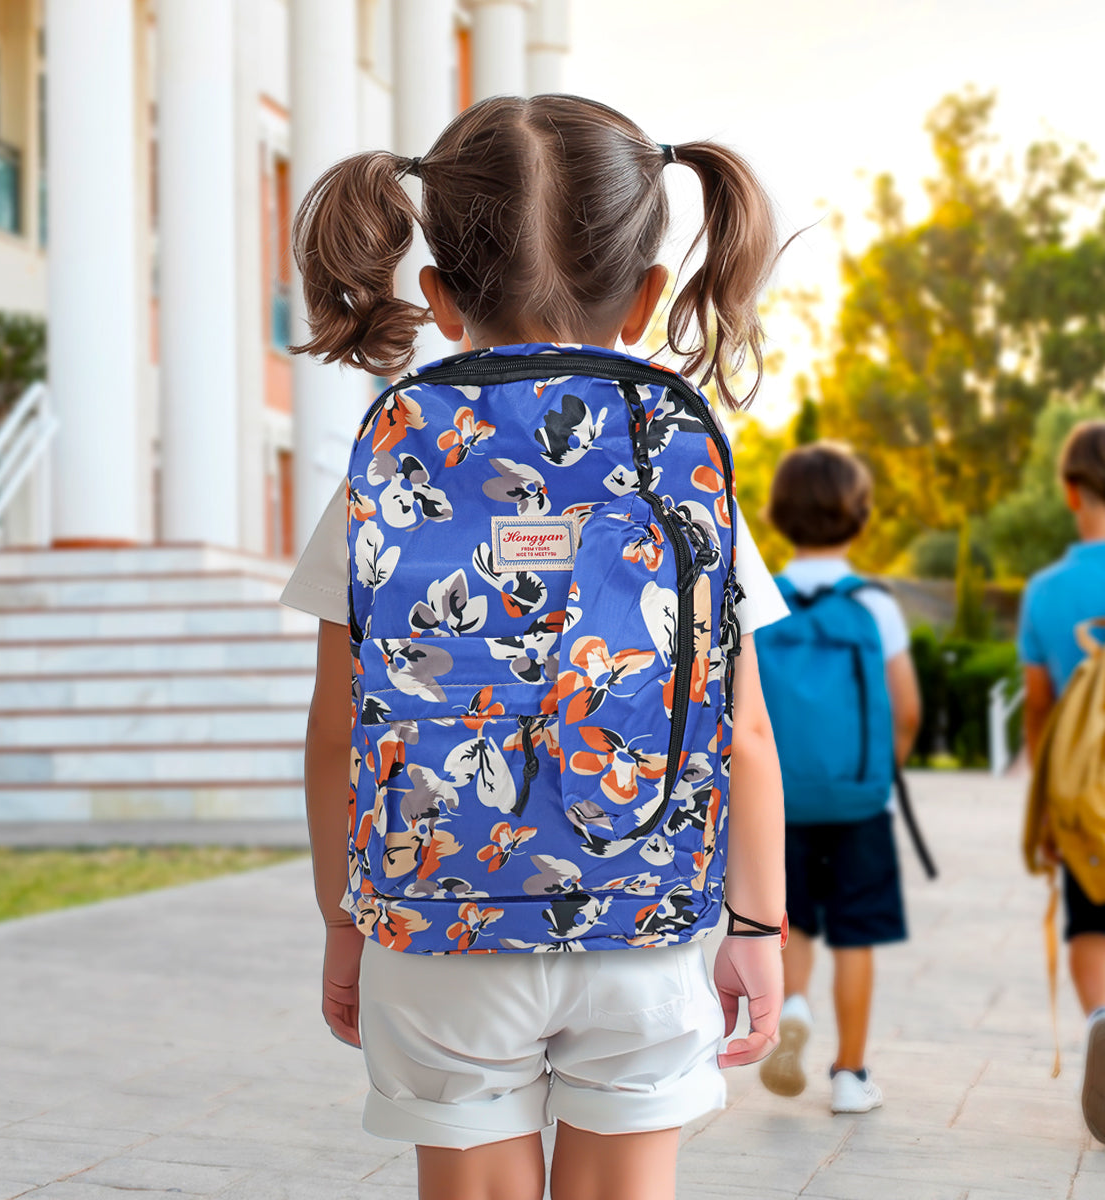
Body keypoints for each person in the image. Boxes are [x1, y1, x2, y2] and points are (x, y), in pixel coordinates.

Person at [278, 95, 790, 1200]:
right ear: (649, 295)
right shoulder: (677, 463)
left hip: (438, 920)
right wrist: (758, 924)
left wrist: (345, 919)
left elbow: (333, 731)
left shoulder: (396, 457)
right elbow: (741, 729)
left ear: (437, 297)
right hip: (643, 920)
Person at [755, 442, 922, 1114]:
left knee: (795, 922)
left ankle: (793, 1003)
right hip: (857, 801)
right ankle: (851, 1075)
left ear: (778, 517)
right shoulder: (875, 606)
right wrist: (879, 771)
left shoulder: (760, 601)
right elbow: (905, 709)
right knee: (857, 934)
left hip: (779, 801)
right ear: (862, 518)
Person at [1019, 420, 1105, 1145]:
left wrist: (1050, 803)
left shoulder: (1048, 591)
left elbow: (1039, 707)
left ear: (1071, 491)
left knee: (1094, 927)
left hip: (1089, 792)